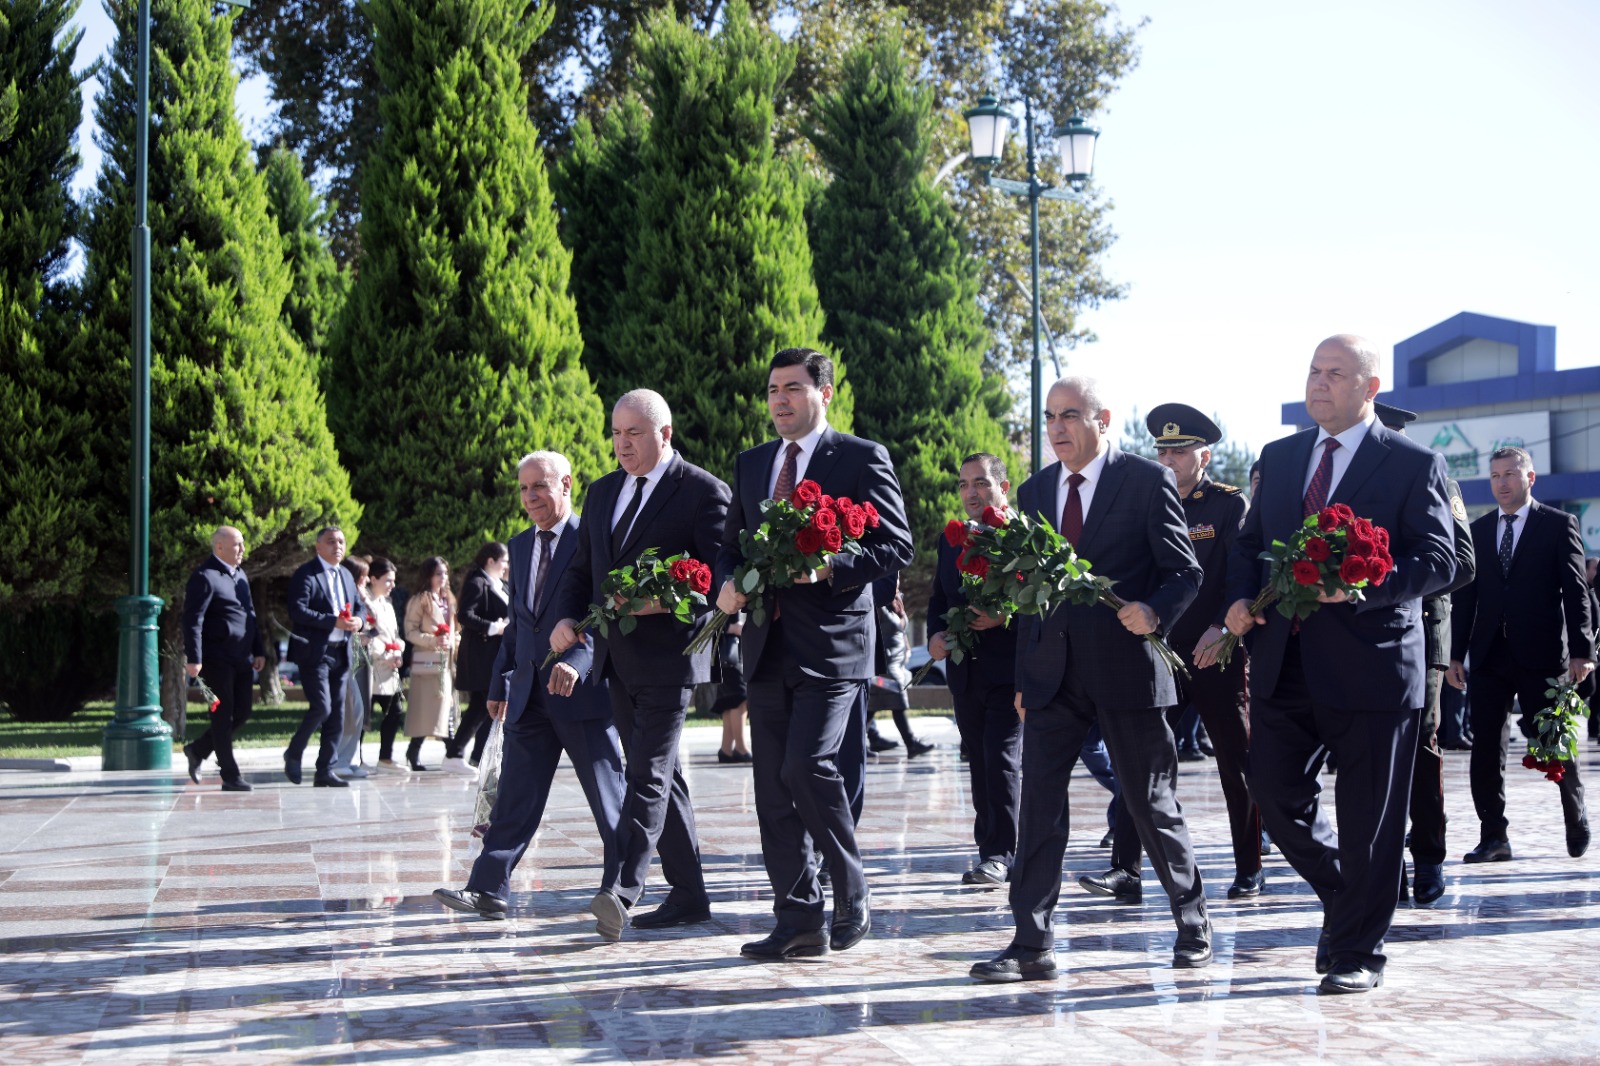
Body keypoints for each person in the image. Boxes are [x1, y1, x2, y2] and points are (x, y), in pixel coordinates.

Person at [1224, 334, 1456, 995]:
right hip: (1283, 660)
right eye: (1313, 371)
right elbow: (1248, 546)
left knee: (1370, 823)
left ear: (1370, 388)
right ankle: (1345, 896)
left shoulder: (1413, 465)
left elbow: (1439, 560)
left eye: (1335, 373)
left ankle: (1358, 952)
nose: (1319, 383)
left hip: (1372, 668)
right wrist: (1240, 598)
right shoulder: (1279, 456)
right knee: (1272, 793)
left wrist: (1363, 585)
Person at [971, 375, 1207, 984]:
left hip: (1127, 671)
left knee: (1150, 802)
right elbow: (1027, 596)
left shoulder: (1145, 479)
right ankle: (1031, 941)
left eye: (1069, 416)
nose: (1057, 429)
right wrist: (1026, 677)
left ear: (1102, 419)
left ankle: (1192, 919)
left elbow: (1185, 573)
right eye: (1050, 417)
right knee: (1040, 810)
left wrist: (1154, 611)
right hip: (1053, 677)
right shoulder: (1034, 491)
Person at [715, 347, 914, 961]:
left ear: (823, 393)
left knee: (808, 767)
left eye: (794, 388)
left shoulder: (859, 458)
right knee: (773, 789)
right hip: (765, 646)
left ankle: (850, 883)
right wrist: (728, 583)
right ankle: (799, 919)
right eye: (773, 389)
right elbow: (732, 545)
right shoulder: (752, 465)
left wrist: (832, 565)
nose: (780, 400)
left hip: (834, 648)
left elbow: (896, 544)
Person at [551, 389, 730, 939]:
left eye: (633, 433)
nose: (621, 444)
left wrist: (667, 601)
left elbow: (718, 580)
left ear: (665, 434)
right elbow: (582, 571)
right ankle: (691, 894)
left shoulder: (702, 492)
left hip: (671, 659)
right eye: (615, 433)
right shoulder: (603, 493)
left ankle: (622, 890)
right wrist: (565, 618)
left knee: (645, 771)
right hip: (616, 658)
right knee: (664, 777)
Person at [433, 451, 626, 921]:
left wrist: (578, 661)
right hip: (528, 696)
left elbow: (610, 609)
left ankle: (620, 890)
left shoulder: (594, 538)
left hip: (582, 693)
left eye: (540, 486)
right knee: (515, 797)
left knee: (609, 800)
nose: (531, 497)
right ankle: (487, 888)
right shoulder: (518, 546)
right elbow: (520, 623)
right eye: (524, 489)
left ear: (566, 484)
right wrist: (501, 681)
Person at [1085, 403, 1261, 900]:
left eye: (1179, 450)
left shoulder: (1229, 506)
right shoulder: (1144, 500)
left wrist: (1219, 630)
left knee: (1236, 759)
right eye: (1162, 449)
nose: (1167, 458)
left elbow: (1238, 576)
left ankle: (1248, 866)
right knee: (1140, 760)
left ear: (1203, 456)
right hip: (1156, 651)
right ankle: (1127, 869)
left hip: (1213, 650)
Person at [1447, 445, 1593, 862]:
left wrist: (1581, 652)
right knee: (1486, 749)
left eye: (1510, 474)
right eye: (1495, 476)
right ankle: (1494, 835)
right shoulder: (1478, 530)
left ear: (1530, 478)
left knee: (1550, 740)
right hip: (1490, 656)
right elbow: (1466, 599)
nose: (1502, 483)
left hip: (1543, 655)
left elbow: (1575, 592)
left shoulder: (1558, 524)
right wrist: (1456, 655)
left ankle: (1574, 807)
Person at [1371, 401, 1475, 906]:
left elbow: (1462, 561)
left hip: (1422, 635)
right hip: (1355, 636)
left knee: (1420, 746)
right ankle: (1381, 865)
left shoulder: (1434, 479)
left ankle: (1430, 856)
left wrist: (1401, 584)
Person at [926, 452, 1022, 887]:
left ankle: (1002, 854)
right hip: (966, 671)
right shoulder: (952, 538)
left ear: (1002, 486)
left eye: (981, 482)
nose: (971, 492)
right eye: (964, 484)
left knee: (1001, 758)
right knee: (979, 761)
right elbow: (938, 601)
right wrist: (934, 637)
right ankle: (990, 848)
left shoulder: (1022, 535)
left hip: (1012, 669)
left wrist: (1007, 616)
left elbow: (1044, 603)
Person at [181, 525, 266, 791]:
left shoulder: (240, 575)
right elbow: (192, 620)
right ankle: (230, 775)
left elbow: (249, 615)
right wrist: (194, 658)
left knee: (242, 712)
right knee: (222, 714)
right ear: (220, 548)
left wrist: (259, 649)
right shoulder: (204, 576)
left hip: (241, 657)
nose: (242, 550)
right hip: (215, 659)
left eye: (242, 544)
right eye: (237, 545)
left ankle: (198, 749)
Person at [284, 526, 367, 787]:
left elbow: (360, 608)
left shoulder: (345, 575)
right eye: (331, 542)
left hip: (340, 653)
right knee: (322, 706)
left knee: (336, 715)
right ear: (318, 547)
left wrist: (358, 622)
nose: (337, 546)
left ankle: (325, 770)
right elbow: (297, 610)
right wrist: (333, 622)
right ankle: (294, 753)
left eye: (341, 541)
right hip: (314, 653)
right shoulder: (306, 574)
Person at [449, 541, 511, 768]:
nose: (506, 565)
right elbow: (465, 615)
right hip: (482, 655)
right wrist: (494, 627)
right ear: (491, 560)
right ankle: (454, 754)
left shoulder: (500, 585)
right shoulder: (477, 583)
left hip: (497, 655)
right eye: (503, 560)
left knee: (488, 706)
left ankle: (477, 756)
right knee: (482, 704)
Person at [403, 557, 458, 772]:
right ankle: (451, 750)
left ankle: (452, 751)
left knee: (446, 707)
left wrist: (455, 641)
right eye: (438, 573)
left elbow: (454, 629)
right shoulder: (420, 600)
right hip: (428, 662)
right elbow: (410, 631)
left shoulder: (448, 599)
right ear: (428, 576)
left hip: (445, 663)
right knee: (425, 709)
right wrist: (433, 640)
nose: (443, 578)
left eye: (445, 573)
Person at [868, 574, 932, 757]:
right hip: (886, 666)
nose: (897, 584)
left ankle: (862, 744)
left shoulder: (896, 603)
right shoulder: (879, 605)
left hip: (897, 663)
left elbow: (900, 628)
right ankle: (911, 744)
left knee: (875, 706)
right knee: (897, 702)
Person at [364, 558, 408, 769]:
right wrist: (384, 654)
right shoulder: (365, 602)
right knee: (364, 714)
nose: (392, 585)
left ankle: (385, 757)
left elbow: (396, 635)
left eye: (393, 581)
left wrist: (398, 650)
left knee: (395, 711)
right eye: (387, 580)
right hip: (371, 667)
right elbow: (367, 636)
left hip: (389, 670)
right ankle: (356, 758)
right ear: (373, 579)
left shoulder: (387, 605)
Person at [332, 555, 372, 779]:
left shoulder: (359, 596)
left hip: (357, 658)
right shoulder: (343, 594)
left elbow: (368, 619)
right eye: (363, 577)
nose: (365, 582)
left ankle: (346, 758)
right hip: (344, 657)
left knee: (357, 711)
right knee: (351, 709)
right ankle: (338, 759)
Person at [708, 619, 752, 762]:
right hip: (727, 651)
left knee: (730, 700)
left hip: (730, 650)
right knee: (740, 697)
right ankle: (740, 748)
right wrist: (730, 627)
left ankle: (726, 749)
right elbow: (710, 614)